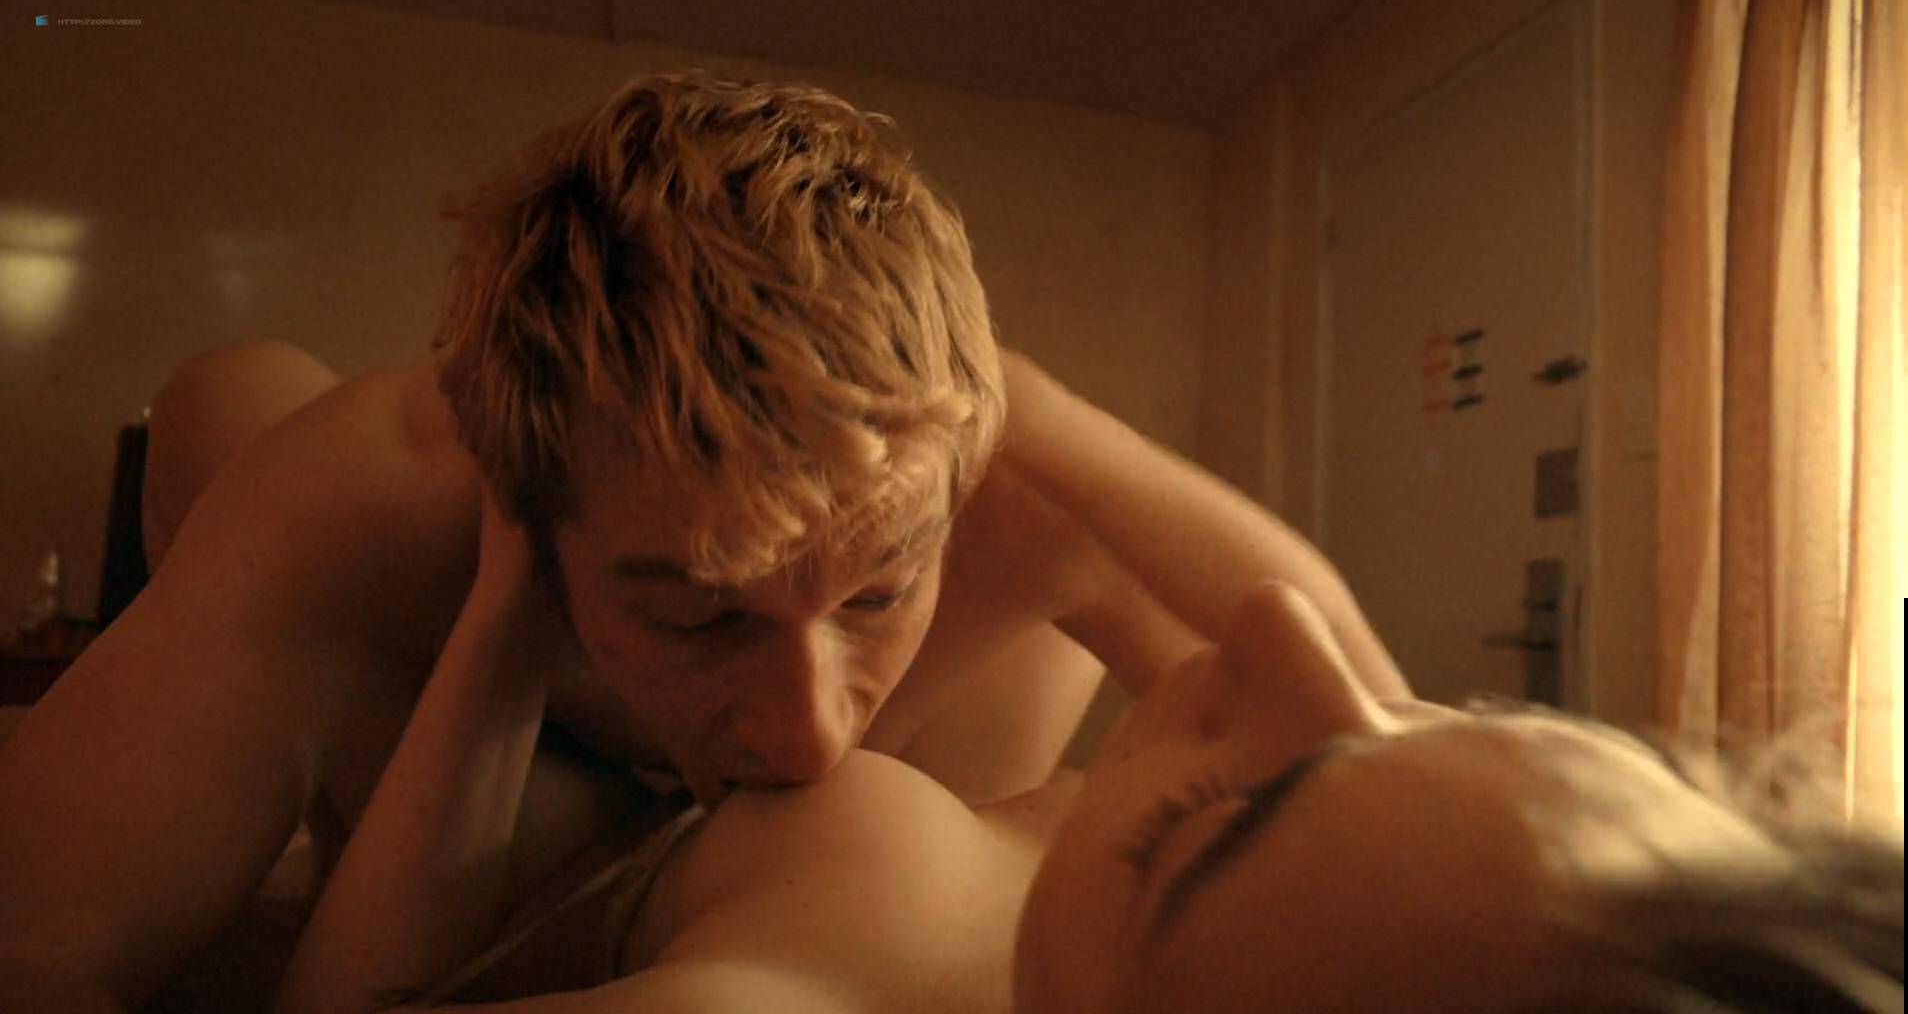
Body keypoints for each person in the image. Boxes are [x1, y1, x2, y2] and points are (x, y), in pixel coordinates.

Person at [0, 72, 1406, 1012]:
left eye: (878, 595)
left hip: (883, 820)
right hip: (485, 771)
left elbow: (1375, 742)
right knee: (230, 397)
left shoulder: (1008, 474)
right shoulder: (373, 498)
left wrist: (1023, 425)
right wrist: (500, 625)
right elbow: (41, 949)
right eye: (698, 616)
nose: (807, 733)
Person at [273, 581, 1905, 1013]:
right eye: (1459, 719)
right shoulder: (1394, 902)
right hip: (876, 787)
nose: (1280, 631)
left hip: (623, 846)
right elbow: (1098, 532)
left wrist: (506, 606)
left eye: (1220, 828)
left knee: (250, 406)